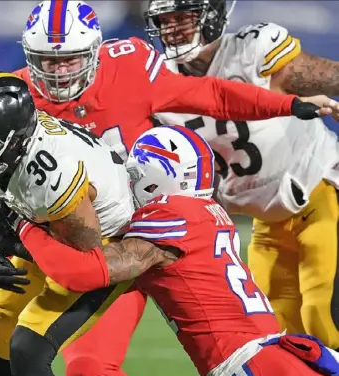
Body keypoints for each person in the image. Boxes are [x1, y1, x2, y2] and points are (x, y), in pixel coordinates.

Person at [0, 1, 339, 376]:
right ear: (29, 58)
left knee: (60, 358)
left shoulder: (129, 68)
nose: (60, 72)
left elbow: (212, 96)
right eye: (48, 61)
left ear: (96, 51)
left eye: (71, 60)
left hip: (124, 238)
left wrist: (287, 104)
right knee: (0, 364)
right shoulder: (14, 102)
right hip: (54, 239)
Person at [6, 125, 339, 376]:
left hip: (256, 365)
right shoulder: (208, 214)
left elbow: (84, 272)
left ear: (150, 177)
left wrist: (26, 227)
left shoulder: (168, 215)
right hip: (287, 358)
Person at [143, 0, 339, 349]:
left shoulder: (251, 51)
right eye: (165, 20)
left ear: (213, 15)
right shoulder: (155, 80)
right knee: (283, 339)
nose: (173, 28)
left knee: (324, 321)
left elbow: (330, 77)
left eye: (183, 18)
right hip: (266, 222)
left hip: (320, 190)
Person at [0, 71, 136, 376]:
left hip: (105, 249)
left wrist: (20, 231)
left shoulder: (51, 173)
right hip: (48, 236)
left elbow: (82, 261)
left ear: (9, 144)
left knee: (27, 351)